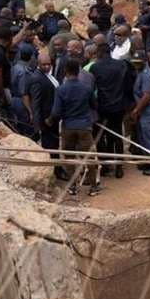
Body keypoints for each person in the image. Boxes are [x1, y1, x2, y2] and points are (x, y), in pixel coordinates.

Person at [47, 58, 101, 196]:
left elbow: (56, 112)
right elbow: (94, 106)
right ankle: (93, 186)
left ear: (65, 71)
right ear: (78, 71)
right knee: (89, 157)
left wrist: (50, 121)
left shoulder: (61, 90)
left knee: (69, 157)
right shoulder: (86, 89)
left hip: (68, 127)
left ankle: (73, 187)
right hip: (84, 127)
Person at [90, 35, 129, 178]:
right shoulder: (121, 65)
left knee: (101, 137)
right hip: (118, 106)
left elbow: (92, 88)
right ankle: (119, 167)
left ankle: (106, 166)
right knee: (117, 135)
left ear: (99, 53)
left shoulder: (95, 67)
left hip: (103, 106)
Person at [28, 52, 67, 180]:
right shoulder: (37, 79)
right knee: (50, 146)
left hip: (53, 118)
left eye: (49, 64)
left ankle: (57, 168)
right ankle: (55, 170)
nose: (47, 67)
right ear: (38, 65)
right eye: (44, 65)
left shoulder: (49, 76)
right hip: (46, 120)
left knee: (55, 144)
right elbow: (36, 103)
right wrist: (38, 124)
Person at [130, 50, 150, 174]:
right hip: (143, 109)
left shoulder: (147, 74)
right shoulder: (140, 72)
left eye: (139, 62)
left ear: (145, 61)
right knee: (143, 137)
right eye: (135, 63)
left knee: (149, 137)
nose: (136, 65)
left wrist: (136, 110)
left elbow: (147, 96)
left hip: (148, 109)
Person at [10, 45, 36, 137]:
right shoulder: (24, 72)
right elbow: (24, 94)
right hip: (22, 103)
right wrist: (30, 111)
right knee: (27, 130)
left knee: (19, 128)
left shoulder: (15, 67)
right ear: (31, 57)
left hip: (14, 99)